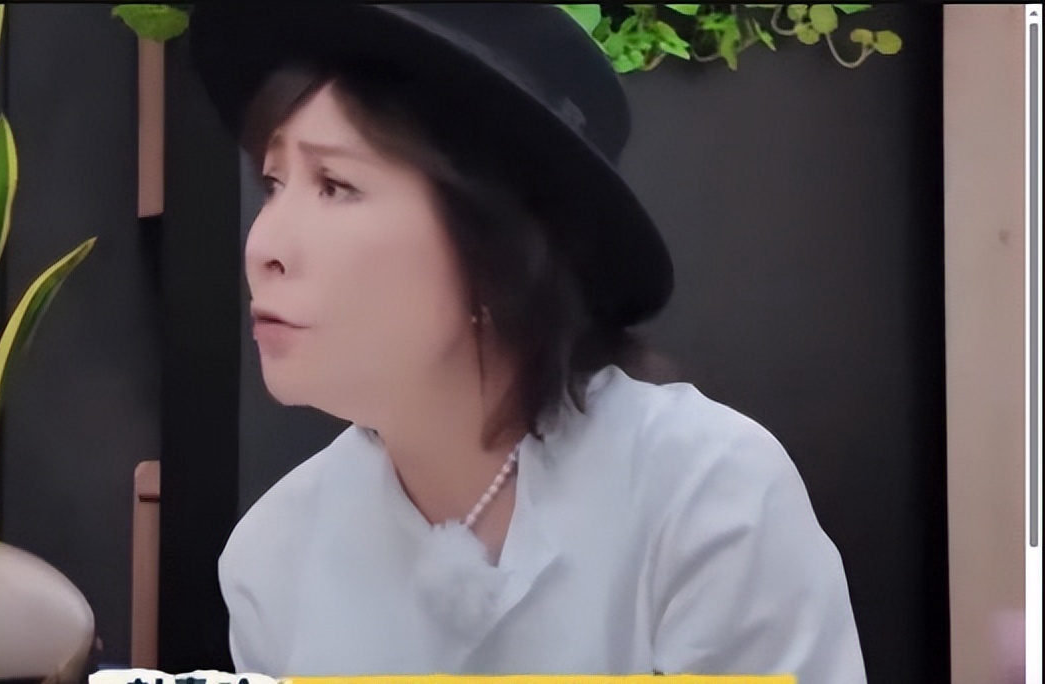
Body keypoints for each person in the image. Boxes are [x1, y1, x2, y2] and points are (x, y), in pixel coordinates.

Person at [188, 4, 866, 683]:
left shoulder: (704, 497)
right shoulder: (274, 555)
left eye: (335, 185)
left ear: (495, 245)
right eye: (273, 184)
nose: (263, 247)